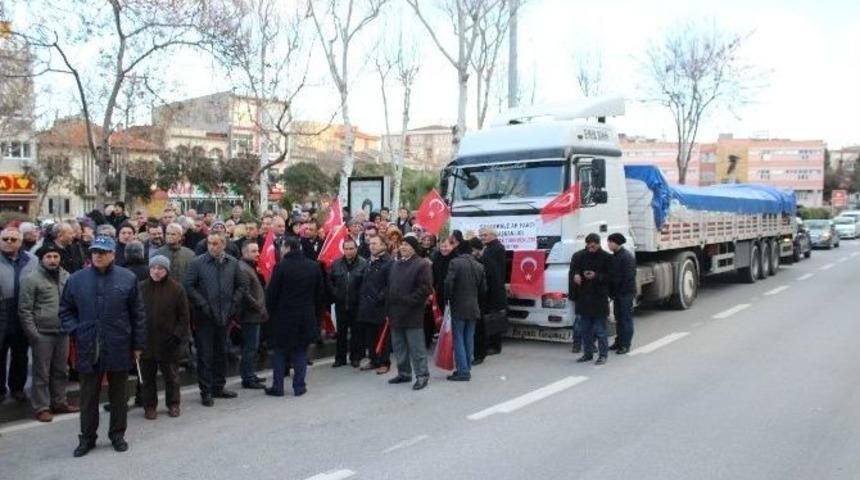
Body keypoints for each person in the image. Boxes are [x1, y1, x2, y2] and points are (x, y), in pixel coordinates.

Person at [59, 236, 146, 457]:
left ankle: (117, 434)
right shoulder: (76, 279)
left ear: (113, 254)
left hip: (118, 343)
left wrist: (137, 344)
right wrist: (76, 329)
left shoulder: (127, 278)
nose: (98, 255)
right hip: (88, 344)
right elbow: (65, 310)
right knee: (88, 396)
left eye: (103, 251)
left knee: (119, 395)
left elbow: (138, 314)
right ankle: (87, 438)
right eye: (95, 251)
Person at [184, 233, 246, 406]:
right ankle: (206, 391)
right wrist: (202, 304)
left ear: (223, 245)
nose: (212, 247)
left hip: (225, 315)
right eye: (210, 243)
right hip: (204, 317)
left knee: (221, 352)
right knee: (205, 354)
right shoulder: (197, 263)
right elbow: (188, 285)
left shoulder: (232, 263)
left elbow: (241, 285)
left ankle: (219, 386)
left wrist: (233, 304)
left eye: (216, 243)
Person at [19, 243, 78, 422]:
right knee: (41, 373)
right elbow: (24, 309)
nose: (52, 260)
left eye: (55, 257)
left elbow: (72, 303)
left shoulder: (66, 276)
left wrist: (71, 325)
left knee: (62, 370)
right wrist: (33, 334)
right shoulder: (32, 279)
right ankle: (41, 407)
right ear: (42, 259)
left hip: (63, 332)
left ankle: (59, 402)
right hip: (42, 333)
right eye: (48, 257)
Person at [265, 236, 324, 397]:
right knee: (300, 351)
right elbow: (320, 294)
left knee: (280, 352)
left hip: (284, 317)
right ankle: (299, 386)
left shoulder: (281, 267)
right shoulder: (313, 266)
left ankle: (278, 387)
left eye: (282, 247)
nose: (280, 250)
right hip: (306, 316)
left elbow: (271, 295)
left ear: (287, 248)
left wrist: (271, 314)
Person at [139, 255, 190, 420]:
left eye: (160, 268)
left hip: (168, 342)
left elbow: (184, 317)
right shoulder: (141, 288)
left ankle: (173, 404)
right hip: (146, 341)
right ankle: (150, 406)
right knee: (148, 378)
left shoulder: (176, 289)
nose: (156, 271)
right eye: (153, 268)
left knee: (171, 376)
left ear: (166, 270)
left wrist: (176, 336)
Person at [386, 236, 433, 391]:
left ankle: (422, 375)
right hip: (395, 312)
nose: (403, 247)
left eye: (407, 245)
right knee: (399, 347)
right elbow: (390, 286)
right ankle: (404, 373)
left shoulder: (421, 264)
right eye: (402, 245)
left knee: (416, 347)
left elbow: (425, 288)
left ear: (414, 247)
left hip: (412, 312)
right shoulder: (396, 264)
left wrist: (409, 300)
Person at [0, 228, 37, 404]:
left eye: (13, 239)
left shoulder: (32, 260)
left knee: (20, 354)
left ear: (20, 242)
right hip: (2, 311)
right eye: (5, 238)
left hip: (23, 311)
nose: (8, 242)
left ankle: (17, 388)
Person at [444, 237, 487, 382]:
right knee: (469, 337)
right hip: (474, 306)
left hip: (458, 305)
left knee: (458, 338)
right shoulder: (479, 266)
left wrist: (447, 298)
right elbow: (483, 289)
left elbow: (448, 283)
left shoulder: (455, 263)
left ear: (458, 250)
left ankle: (462, 370)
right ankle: (466, 367)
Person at [569, 233, 613, 365]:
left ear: (598, 244)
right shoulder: (580, 256)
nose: (591, 247)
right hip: (584, 298)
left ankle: (603, 355)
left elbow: (611, 277)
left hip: (599, 299)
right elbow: (575, 270)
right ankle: (587, 354)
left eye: (593, 245)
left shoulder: (607, 258)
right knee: (585, 330)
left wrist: (596, 276)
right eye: (589, 245)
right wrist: (576, 276)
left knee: (600, 331)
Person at [329, 238, 368, 368]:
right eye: (346, 249)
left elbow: (366, 284)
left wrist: (360, 298)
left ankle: (355, 357)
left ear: (356, 249)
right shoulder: (336, 264)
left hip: (356, 305)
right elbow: (330, 282)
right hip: (341, 304)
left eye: (352, 248)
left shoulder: (364, 264)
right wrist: (336, 294)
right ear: (343, 249)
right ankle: (340, 358)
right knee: (341, 333)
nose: (349, 251)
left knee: (357, 333)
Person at [356, 235, 392, 374]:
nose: (372, 246)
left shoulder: (388, 263)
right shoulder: (369, 262)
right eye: (370, 244)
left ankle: (384, 362)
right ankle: (373, 359)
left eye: (375, 243)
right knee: (370, 336)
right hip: (367, 306)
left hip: (380, 306)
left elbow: (389, 285)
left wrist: (379, 298)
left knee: (382, 336)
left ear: (383, 245)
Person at [237, 242, 268, 389]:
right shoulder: (243, 269)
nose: (257, 253)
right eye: (253, 251)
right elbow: (245, 293)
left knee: (252, 347)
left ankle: (251, 374)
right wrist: (258, 306)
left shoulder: (249, 266)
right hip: (250, 315)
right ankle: (247, 378)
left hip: (254, 314)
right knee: (250, 348)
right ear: (244, 253)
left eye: (258, 250)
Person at [477, 227, 507, 362]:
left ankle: (495, 345)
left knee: (494, 317)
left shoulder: (497, 248)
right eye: (481, 235)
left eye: (485, 235)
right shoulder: (488, 248)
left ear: (493, 235)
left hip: (494, 288)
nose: (482, 237)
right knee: (489, 316)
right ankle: (491, 343)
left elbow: (492, 268)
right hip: (489, 287)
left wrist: (481, 258)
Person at [608, 233, 636, 355]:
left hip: (625, 293)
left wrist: (619, 291)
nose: (608, 244)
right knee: (618, 318)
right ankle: (618, 342)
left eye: (610, 242)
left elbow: (629, 277)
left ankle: (625, 345)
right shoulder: (615, 256)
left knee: (625, 319)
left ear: (616, 243)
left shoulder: (626, 257)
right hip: (618, 294)